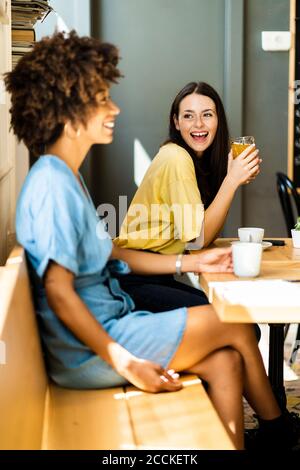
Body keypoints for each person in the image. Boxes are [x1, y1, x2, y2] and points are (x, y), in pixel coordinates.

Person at [5, 31, 297, 450]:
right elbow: (58, 290)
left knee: (227, 359)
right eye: (101, 98)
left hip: (115, 322)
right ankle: (280, 435)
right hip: (91, 349)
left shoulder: (66, 177)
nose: (114, 108)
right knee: (228, 322)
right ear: (68, 110)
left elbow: (116, 253)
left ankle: (263, 438)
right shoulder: (52, 183)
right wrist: (126, 363)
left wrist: (190, 264)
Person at [114, 82, 261, 335]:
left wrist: (229, 181)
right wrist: (231, 181)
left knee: (240, 322)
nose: (199, 125)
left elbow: (201, 236)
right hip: (131, 280)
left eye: (207, 115)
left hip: (151, 276)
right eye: (188, 116)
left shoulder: (191, 161)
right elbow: (198, 240)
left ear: (218, 121)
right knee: (240, 325)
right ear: (176, 122)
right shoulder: (176, 158)